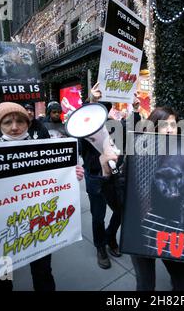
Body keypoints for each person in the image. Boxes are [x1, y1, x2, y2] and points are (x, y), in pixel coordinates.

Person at [0, 102, 84, 291]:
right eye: (7, 122)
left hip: (38, 225)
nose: (14, 127)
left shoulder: (44, 148)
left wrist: (72, 176)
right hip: (3, 233)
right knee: (3, 279)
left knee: (42, 272)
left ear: (28, 123)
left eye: (20, 121)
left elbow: (55, 180)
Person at [100, 106, 184, 291]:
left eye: (174, 124)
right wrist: (107, 174)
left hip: (172, 231)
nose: (171, 129)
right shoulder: (136, 155)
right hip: (140, 231)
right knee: (145, 285)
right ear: (154, 127)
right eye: (165, 125)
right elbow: (118, 203)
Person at [80, 83, 122, 270]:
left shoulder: (114, 126)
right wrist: (92, 100)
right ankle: (100, 247)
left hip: (113, 176)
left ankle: (110, 236)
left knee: (120, 211)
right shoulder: (83, 127)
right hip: (95, 177)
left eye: (104, 110)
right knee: (98, 216)